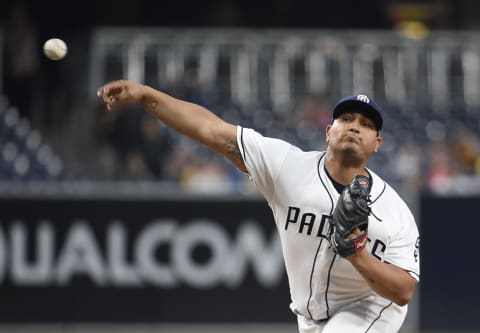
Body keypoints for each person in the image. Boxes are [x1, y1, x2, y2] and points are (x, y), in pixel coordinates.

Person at [97, 81, 420, 333]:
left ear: (377, 143)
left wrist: (358, 255)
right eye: (346, 118)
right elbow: (210, 129)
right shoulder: (287, 167)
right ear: (328, 131)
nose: (354, 126)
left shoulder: (394, 213)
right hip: (309, 314)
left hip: (369, 307)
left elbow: (403, 291)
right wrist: (146, 95)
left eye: (365, 124)